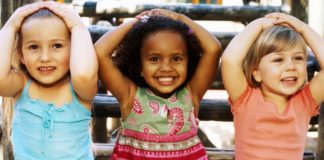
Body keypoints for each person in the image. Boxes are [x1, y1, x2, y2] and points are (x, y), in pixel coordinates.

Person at [95, 9, 221, 159]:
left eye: (176, 59)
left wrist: (180, 18)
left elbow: (213, 49)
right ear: (139, 66)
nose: (166, 68)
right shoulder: (130, 96)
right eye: (154, 59)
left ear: (189, 62)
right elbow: (100, 53)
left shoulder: (191, 93)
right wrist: (137, 22)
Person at [0, 1, 98, 159]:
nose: (45, 57)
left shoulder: (80, 88)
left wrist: (77, 26)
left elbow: (83, 74)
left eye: (57, 46)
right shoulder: (21, 84)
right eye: (33, 47)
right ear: (21, 55)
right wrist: (10, 26)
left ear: (74, 50)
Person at [221, 12, 324, 160]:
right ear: (257, 72)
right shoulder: (245, 99)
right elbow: (229, 60)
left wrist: (303, 29)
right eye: (278, 60)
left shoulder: (304, 102)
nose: (291, 66)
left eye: (298, 58)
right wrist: (258, 24)